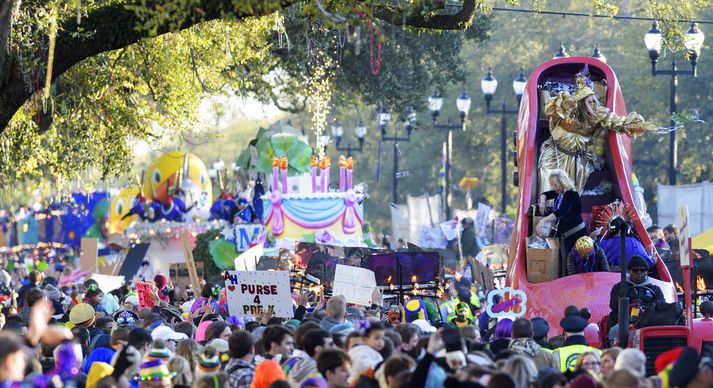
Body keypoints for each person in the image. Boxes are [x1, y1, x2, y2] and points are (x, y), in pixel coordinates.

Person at [538, 64, 655, 193]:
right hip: (555, 155)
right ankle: (545, 209)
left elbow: (615, 121)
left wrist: (637, 125)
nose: (593, 105)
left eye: (594, 101)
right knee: (548, 177)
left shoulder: (599, 115)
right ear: (581, 105)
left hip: (577, 161)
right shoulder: (568, 112)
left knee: (571, 192)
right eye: (590, 102)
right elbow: (553, 110)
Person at [608, 255, 666, 343]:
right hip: (624, 323)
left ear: (646, 272)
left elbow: (661, 307)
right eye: (635, 270)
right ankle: (616, 353)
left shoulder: (655, 289)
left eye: (642, 270)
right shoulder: (619, 287)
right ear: (629, 271)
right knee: (614, 331)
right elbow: (613, 306)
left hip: (648, 322)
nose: (639, 273)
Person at [537, 169, 587, 265]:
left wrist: (543, 221)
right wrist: (542, 202)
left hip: (576, 236)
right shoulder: (559, 192)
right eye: (552, 185)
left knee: (575, 263)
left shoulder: (572, 194)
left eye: (555, 185)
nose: (554, 188)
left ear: (563, 181)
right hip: (566, 236)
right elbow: (545, 194)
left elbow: (561, 212)